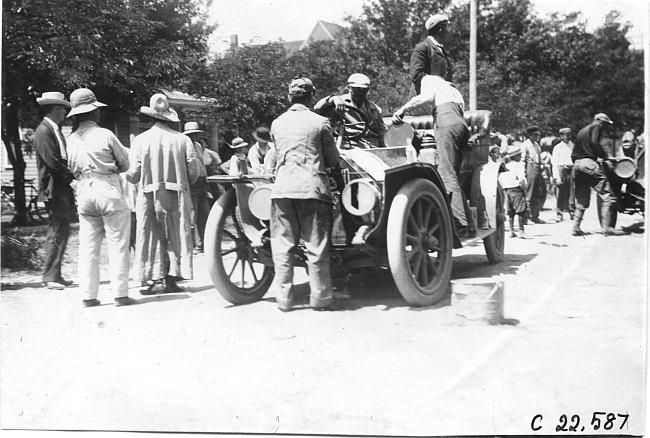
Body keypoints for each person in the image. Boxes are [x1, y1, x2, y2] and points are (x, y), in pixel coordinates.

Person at [269, 77, 340, 312]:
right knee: (316, 246)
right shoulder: (320, 122)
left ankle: (284, 299)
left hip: (281, 190)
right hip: (312, 189)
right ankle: (320, 299)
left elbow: (277, 155)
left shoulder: (277, 123)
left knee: (282, 247)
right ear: (311, 97)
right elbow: (332, 160)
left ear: (290, 97)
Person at [65, 88, 135, 307]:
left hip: (84, 191)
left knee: (88, 246)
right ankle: (120, 294)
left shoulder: (71, 139)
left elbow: (70, 167)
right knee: (118, 243)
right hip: (107, 187)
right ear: (94, 112)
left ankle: (88, 295)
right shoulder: (105, 134)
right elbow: (125, 164)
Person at [126, 93, 200, 294]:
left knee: (151, 233)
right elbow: (194, 172)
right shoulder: (183, 140)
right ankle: (172, 277)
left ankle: (156, 277)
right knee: (177, 233)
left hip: (150, 194)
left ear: (150, 117)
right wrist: (182, 180)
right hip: (176, 194)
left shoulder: (141, 140)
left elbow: (133, 174)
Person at [392, 74, 473, 237]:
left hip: (447, 125)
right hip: (461, 127)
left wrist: (402, 109)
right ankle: (469, 223)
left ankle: (460, 224)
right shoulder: (453, 91)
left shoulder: (430, 82)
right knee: (453, 176)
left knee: (446, 174)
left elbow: (425, 98)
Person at [33, 91, 76, 290]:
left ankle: (55, 274)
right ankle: (49, 276)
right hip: (54, 188)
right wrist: (71, 177)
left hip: (60, 188)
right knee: (57, 230)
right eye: (62, 107)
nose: (65, 111)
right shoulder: (44, 131)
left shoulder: (54, 130)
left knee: (62, 230)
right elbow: (53, 162)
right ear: (54, 108)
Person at [571, 113, 625, 236]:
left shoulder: (582, 131)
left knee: (581, 200)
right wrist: (605, 157)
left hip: (577, 165)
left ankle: (575, 227)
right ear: (600, 121)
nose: (605, 127)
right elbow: (595, 143)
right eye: (605, 124)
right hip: (588, 163)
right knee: (609, 196)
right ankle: (607, 228)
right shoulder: (596, 127)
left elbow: (574, 154)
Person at [314, 73, 387, 149]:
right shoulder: (339, 102)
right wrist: (333, 98)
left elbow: (381, 130)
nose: (359, 92)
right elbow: (317, 108)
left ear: (367, 90)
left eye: (363, 89)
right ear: (349, 87)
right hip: (348, 145)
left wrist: (384, 148)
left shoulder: (374, 109)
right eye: (356, 89)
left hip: (371, 146)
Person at [182, 122, 210, 253]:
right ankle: (194, 244)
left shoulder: (198, 146)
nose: (195, 137)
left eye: (196, 134)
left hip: (202, 182)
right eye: (192, 135)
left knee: (205, 214)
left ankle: (205, 243)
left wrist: (206, 180)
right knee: (193, 214)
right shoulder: (183, 146)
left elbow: (202, 164)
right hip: (192, 183)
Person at [409, 14, 453, 97]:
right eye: (447, 27)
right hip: (422, 104)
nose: (448, 31)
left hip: (438, 100)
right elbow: (416, 75)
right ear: (440, 30)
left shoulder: (441, 50)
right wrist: (440, 84)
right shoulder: (422, 48)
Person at [498, 145, 529, 238]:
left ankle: (511, 230)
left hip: (506, 190)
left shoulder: (505, 166)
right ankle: (521, 230)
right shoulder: (519, 165)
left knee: (510, 211)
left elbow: (500, 180)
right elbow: (522, 178)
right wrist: (524, 187)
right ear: (515, 156)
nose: (520, 157)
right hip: (516, 188)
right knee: (521, 210)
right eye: (519, 155)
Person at [521, 125, 547, 224]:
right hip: (529, 168)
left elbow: (539, 159)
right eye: (536, 135)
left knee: (538, 193)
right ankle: (525, 218)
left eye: (539, 135)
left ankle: (535, 216)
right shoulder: (525, 145)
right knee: (528, 194)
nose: (538, 136)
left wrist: (543, 166)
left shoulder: (536, 145)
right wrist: (523, 173)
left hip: (537, 169)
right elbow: (523, 160)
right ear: (530, 135)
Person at [551, 127, 575, 222]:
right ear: (561, 136)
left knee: (572, 192)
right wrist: (556, 177)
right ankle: (559, 214)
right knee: (560, 192)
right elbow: (554, 163)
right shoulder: (557, 148)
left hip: (571, 169)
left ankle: (572, 212)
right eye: (566, 135)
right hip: (561, 170)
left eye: (570, 134)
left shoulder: (573, 146)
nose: (568, 136)